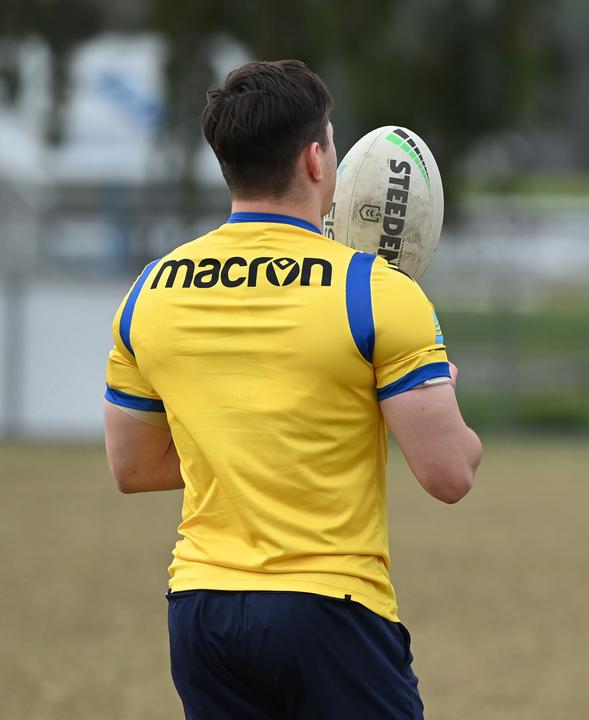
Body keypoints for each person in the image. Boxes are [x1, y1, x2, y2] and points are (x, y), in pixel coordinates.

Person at [102, 59, 482, 718]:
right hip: (330, 609)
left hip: (201, 612)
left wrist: (247, 450)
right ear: (315, 160)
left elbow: (133, 467)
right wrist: (444, 400)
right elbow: (449, 473)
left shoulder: (150, 291)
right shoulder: (376, 291)